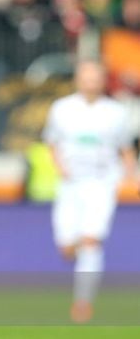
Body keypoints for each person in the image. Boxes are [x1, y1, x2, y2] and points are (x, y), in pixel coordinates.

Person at [42, 60, 139, 323]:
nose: (91, 82)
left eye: (95, 78)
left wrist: (129, 177)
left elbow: (126, 149)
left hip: (102, 183)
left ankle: (83, 303)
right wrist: (60, 167)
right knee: (68, 246)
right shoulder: (62, 109)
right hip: (71, 185)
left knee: (91, 241)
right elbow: (51, 143)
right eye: (86, 77)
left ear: (103, 80)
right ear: (78, 79)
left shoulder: (116, 112)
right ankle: (75, 251)